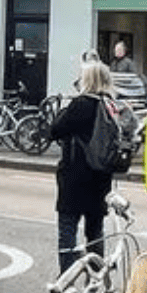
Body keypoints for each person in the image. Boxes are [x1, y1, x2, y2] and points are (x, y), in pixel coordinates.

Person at [49, 59, 118, 276]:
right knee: (95, 231)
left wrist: (64, 109)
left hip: (75, 176)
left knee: (68, 228)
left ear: (87, 80)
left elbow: (55, 130)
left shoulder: (81, 104)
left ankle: (66, 279)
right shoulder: (110, 105)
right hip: (101, 177)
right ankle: (96, 278)